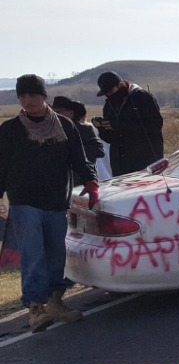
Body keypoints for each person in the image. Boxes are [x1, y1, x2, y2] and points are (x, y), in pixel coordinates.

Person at [0, 75, 97, 332]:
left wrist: (91, 182)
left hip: (56, 200)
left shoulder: (65, 126)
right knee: (33, 254)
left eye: (33, 94)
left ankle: (55, 302)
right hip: (24, 201)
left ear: (44, 96)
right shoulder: (10, 130)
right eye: (22, 95)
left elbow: (80, 159)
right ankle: (35, 309)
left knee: (57, 254)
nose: (27, 100)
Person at [94, 71, 164, 176]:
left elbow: (155, 125)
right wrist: (102, 127)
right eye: (106, 93)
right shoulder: (109, 105)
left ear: (120, 84)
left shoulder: (141, 96)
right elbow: (109, 139)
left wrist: (120, 125)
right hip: (120, 165)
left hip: (145, 160)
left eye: (111, 91)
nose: (109, 95)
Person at [51, 96, 104, 184]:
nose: (55, 115)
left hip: (81, 179)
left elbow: (99, 150)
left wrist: (75, 152)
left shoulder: (84, 129)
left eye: (58, 112)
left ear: (70, 113)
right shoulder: (49, 130)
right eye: (53, 112)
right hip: (59, 181)